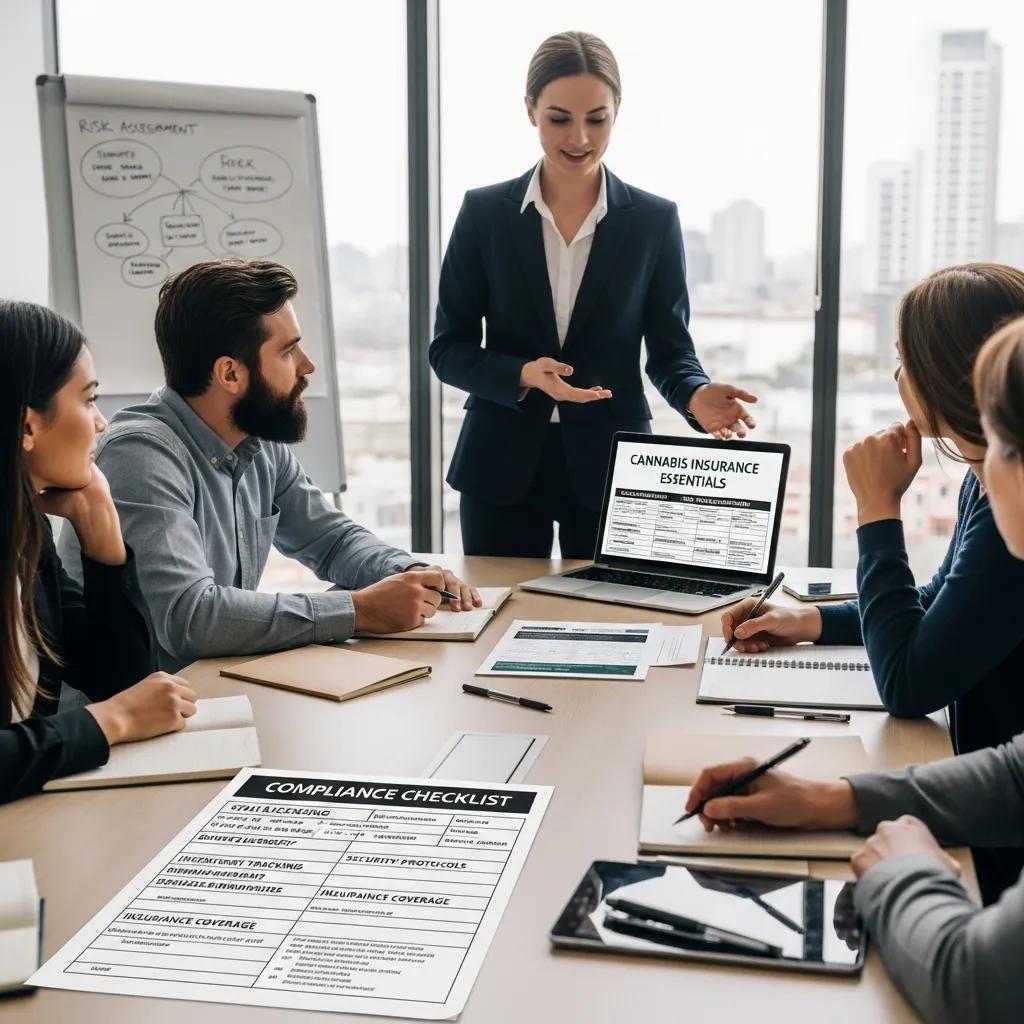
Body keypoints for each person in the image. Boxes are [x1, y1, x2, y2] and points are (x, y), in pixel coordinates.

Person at [684, 314, 1024, 1024]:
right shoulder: (981, 494)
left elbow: (974, 985)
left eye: (1003, 446)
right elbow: (1016, 770)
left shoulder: (997, 513)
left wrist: (908, 872)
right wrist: (834, 798)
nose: (986, 468)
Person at [718, 263, 1024, 901]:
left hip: (997, 845)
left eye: (905, 361)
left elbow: (909, 684)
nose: (897, 379)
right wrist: (812, 620)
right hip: (984, 798)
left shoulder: (1010, 507)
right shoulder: (983, 473)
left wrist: (877, 512)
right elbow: (941, 603)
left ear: (955, 374)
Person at [58, 259, 479, 672]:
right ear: (230, 374)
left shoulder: (253, 439)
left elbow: (332, 540)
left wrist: (410, 572)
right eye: (289, 351)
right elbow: (190, 619)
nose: (307, 365)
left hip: (209, 692)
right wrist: (359, 610)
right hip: (131, 721)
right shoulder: (142, 455)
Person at [430, 31, 758, 558]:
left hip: (616, 467)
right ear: (530, 109)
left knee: (618, 630)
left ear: (617, 112)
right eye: (559, 118)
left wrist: (694, 395)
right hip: (501, 464)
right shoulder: (483, 213)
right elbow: (448, 349)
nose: (579, 137)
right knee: (498, 625)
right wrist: (521, 373)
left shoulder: (654, 221)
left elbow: (670, 350)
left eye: (597, 119)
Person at [0, 301, 197, 804]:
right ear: (26, 426)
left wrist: (101, 531)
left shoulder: (28, 535)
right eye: (88, 400)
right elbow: (124, 705)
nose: (102, 423)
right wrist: (114, 720)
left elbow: (121, 678)